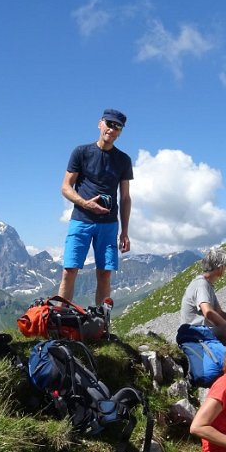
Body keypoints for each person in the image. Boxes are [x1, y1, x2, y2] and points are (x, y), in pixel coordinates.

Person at [58, 109, 133, 305]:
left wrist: (125, 232)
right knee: (69, 271)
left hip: (109, 224)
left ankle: (100, 326)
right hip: (81, 220)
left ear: (120, 132)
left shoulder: (124, 160)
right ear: (100, 124)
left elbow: (125, 198)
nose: (112, 129)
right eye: (109, 124)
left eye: (117, 127)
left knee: (105, 273)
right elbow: (65, 187)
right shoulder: (81, 152)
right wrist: (85, 204)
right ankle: (59, 321)